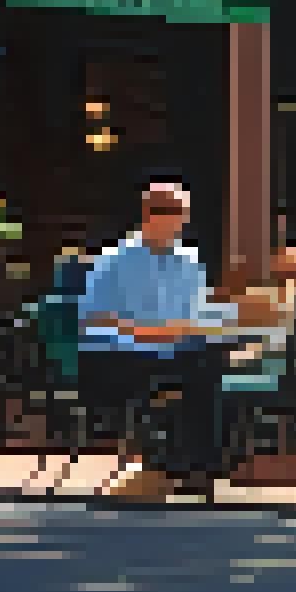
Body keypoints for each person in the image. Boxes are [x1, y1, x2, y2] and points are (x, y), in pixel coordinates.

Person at [77, 183, 231, 498]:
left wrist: (223, 322)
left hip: (173, 352)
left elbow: (198, 314)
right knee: (197, 370)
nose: (176, 220)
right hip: (119, 354)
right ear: (147, 214)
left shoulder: (189, 261)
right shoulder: (115, 259)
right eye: (168, 211)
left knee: (213, 363)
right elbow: (94, 319)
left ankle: (199, 467)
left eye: (182, 213)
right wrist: (145, 333)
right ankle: (181, 464)